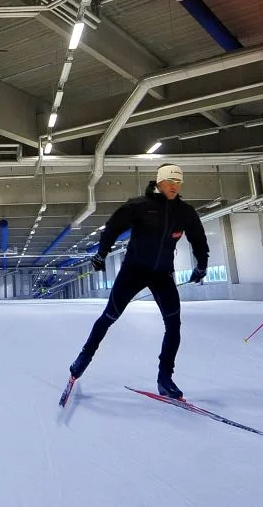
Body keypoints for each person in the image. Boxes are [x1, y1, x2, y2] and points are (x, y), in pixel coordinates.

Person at [68, 164, 210, 399]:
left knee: (174, 325)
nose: (175, 186)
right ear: (160, 182)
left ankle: (165, 378)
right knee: (108, 318)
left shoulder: (184, 212)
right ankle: (83, 359)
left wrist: (202, 264)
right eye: (170, 181)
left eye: (178, 182)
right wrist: (102, 253)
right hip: (133, 271)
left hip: (162, 274)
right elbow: (112, 228)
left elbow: (198, 238)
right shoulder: (140, 206)